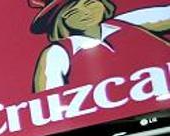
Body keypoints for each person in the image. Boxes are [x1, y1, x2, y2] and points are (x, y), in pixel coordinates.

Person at [30, 0, 170, 91]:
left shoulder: (126, 22)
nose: (85, 12)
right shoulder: (58, 52)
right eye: (72, 11)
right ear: (59, 21)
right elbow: (50, 102)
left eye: (90, 3)